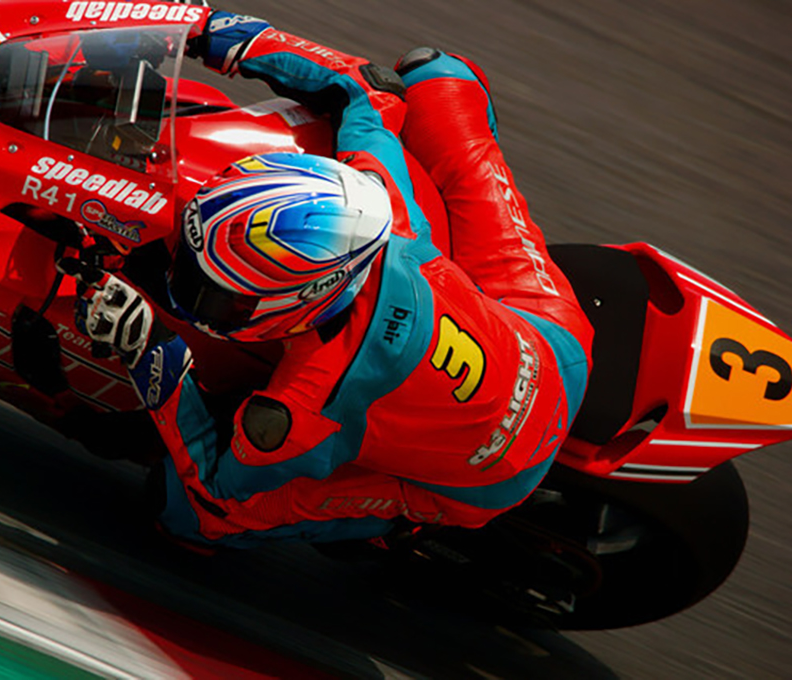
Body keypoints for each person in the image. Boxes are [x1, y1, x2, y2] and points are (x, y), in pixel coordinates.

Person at [75, 10, 595, 549]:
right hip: (545, 333)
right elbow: (367, 87)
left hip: (493, 474)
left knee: (190, 513)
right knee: (435, 74)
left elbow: (218, 488)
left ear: (306, 297)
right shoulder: (381, 206)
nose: (186, 288)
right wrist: (207, 30)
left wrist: (148, 349)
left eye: (216, 296)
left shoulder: (300, 403)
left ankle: (400, 526)